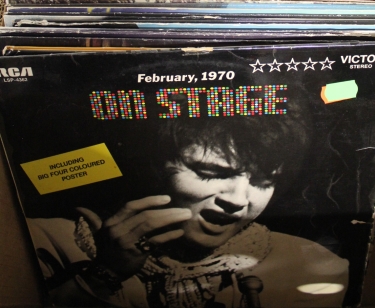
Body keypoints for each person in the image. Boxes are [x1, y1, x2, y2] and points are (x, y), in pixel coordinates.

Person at [27, 97, 349, 307]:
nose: (238, 200)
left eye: (265, 182)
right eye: (210, 173)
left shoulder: (313, 267)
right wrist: (103, 276)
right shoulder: (41, 241)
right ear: (151, 164)